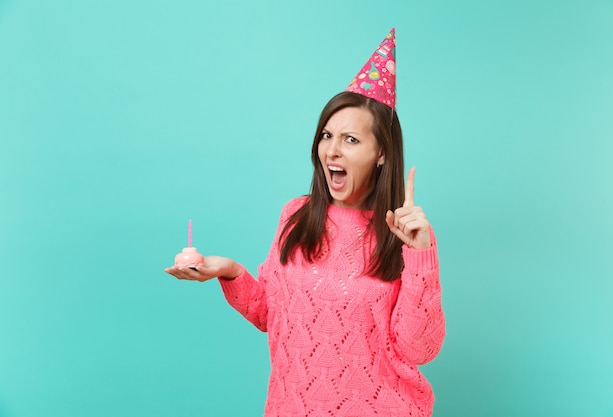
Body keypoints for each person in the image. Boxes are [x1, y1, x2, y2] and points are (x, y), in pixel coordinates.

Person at [165, 28, 445, 417]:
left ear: (381, 152)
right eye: (327, 135)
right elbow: (270, 314)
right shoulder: (295, 216)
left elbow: (420, 349)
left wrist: (420, 254)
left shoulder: (402, 235)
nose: (331, 149)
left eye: (350, 140)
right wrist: (228, 271)